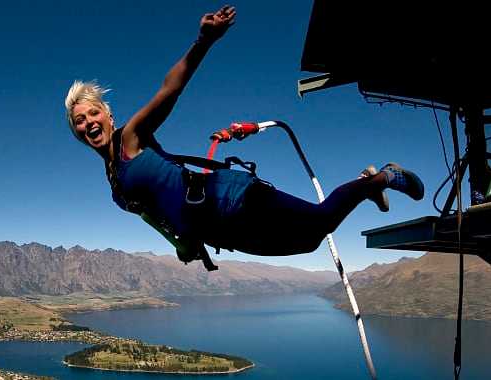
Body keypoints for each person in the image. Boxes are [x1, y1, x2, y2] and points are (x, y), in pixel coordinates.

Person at [63, 5, 423, 262]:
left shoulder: (131, 138)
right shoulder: (114, 180)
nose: (89, 122)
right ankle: (367, 184)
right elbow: (154, 215)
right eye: (79, 120)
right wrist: (182, 242)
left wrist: (203, 41)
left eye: (93, 112)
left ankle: (378, 180)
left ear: (108, 115)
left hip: (231, 199)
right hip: (219, 229)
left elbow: (168, 91)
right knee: (310, 243)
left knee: (318, 223)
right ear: (75, 130)